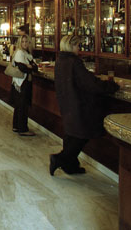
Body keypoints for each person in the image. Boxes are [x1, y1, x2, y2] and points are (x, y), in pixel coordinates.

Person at [50, 35, 119, 175]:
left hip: (67, 102)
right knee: (82, 134)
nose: (79, 48)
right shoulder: (74, 62)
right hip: (79, 104)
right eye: (77, 46)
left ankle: (70, 166)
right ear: (71, 46)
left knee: (71, 134)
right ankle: (60, 159)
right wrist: (113, 86)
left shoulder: (60, 60)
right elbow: (90, 84)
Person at [11, 34, 38, 136]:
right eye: (23, 42)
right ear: (19, 43)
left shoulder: (27, 53)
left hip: (23, 82)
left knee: (19, 106)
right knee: (22, 106)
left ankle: (16, 126)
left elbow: (35, 67)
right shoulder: (19, 53)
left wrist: (29, 66)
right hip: (21, 83)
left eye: (26, 41)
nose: (25, 43)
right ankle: (23, 129)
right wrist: (29, 66)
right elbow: (23, 68)